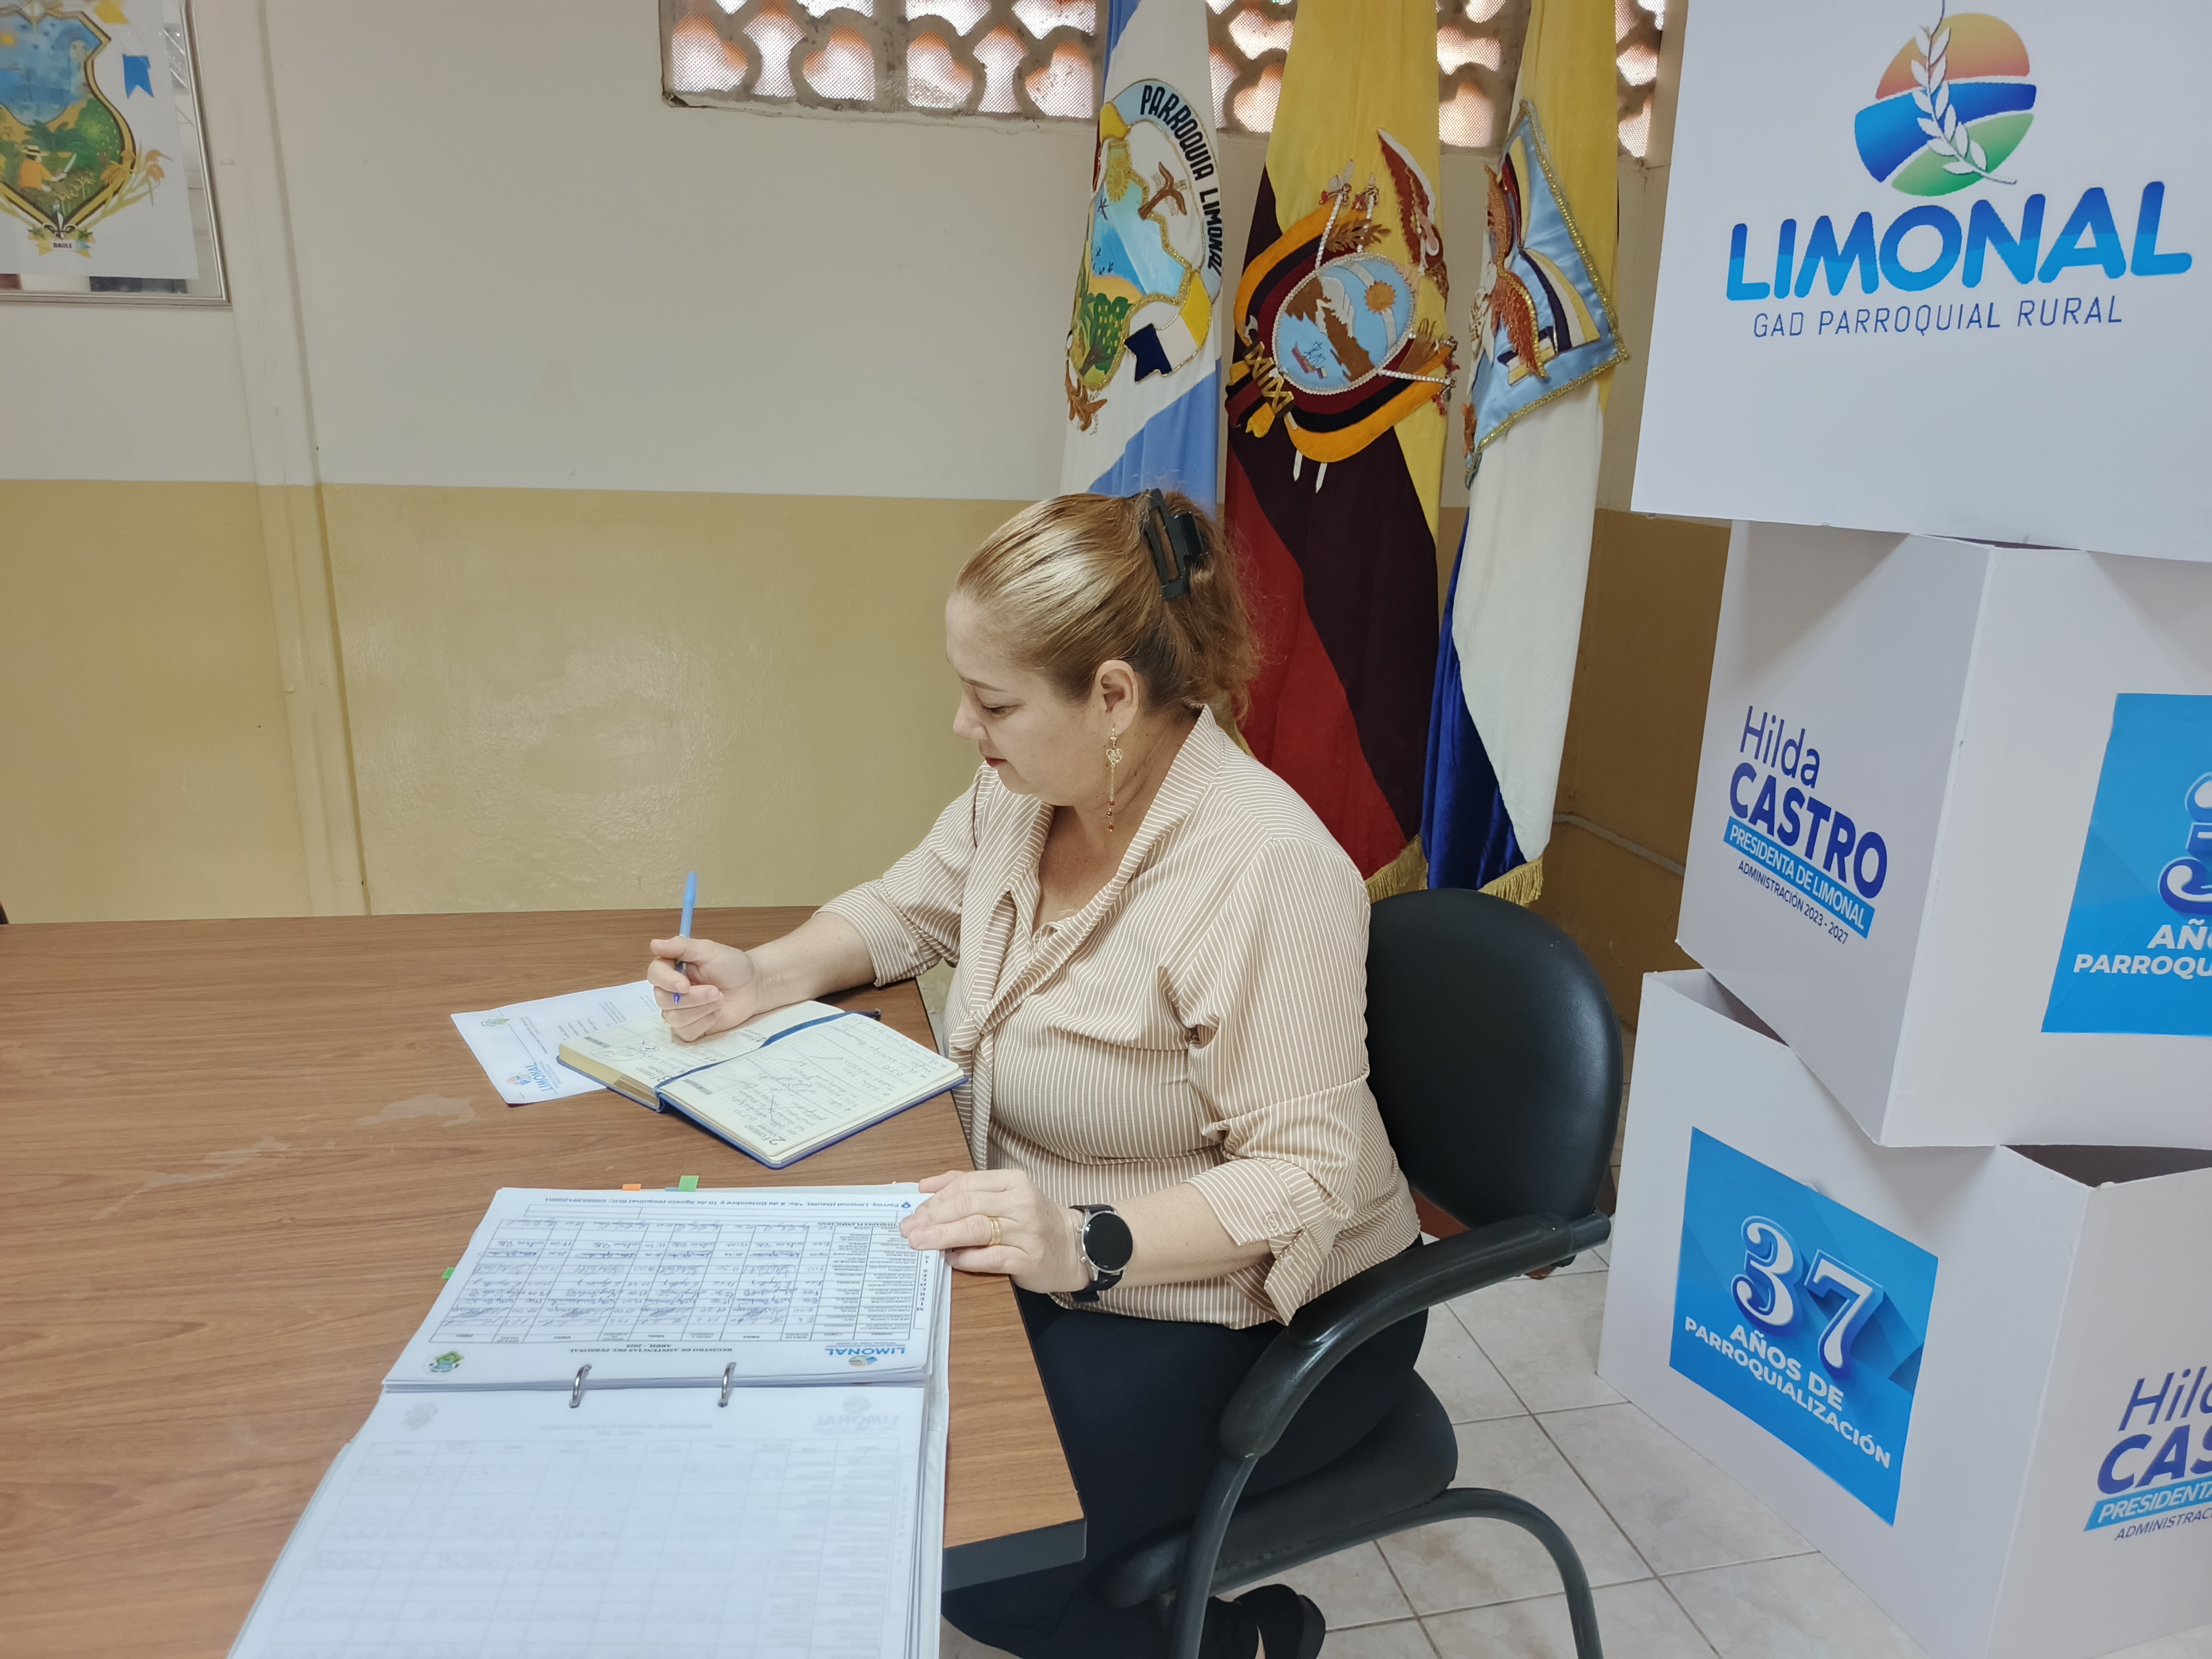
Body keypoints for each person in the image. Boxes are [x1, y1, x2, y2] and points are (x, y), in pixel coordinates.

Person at [645, 491, 1424, 1659]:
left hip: (1256, 1300)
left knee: (983, 1545)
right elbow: (906, 907)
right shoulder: (1025, 796)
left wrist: (1084, 1242)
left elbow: (1302, 1180)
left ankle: (1241, 1646)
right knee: (874, 1443)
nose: (964, 724)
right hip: (1054, 1241)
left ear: (1111, 697)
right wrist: (764, 972)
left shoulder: (1262, 870)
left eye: (995, 701)